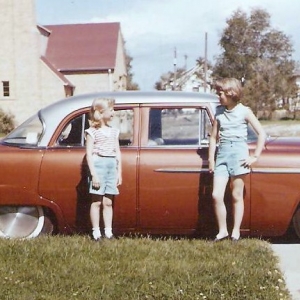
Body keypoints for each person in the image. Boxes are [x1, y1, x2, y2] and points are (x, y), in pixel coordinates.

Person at [208, 78, 266, 242]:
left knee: (236, 194)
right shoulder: (219, 112)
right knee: (216, 195)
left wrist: (254, 156)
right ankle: (222, 231)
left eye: (220, 94)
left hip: (239, 155)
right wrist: (211, 160)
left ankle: (235, 232)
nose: (218, 96)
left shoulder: (245, 111)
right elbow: (213, 138)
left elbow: (262, 133)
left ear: (231, 93)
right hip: (222, 155)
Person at [85, 97, 122, 241]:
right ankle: (96, 232)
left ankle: (108, 231)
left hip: (111, 166)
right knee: (97, 201)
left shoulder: (114, 131)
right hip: (98, 166)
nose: (113, 112)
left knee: (108, 202)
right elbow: (89, 154)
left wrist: (119, 172)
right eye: (111, 110)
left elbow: (117, 152)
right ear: (101, 112)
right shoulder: (92, 132)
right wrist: (94, 174)